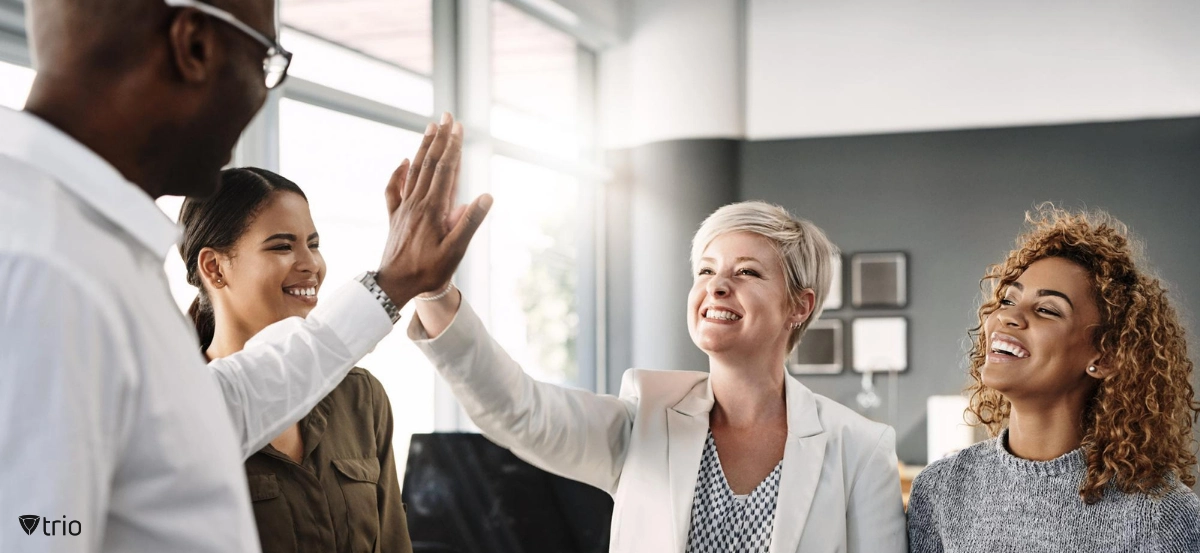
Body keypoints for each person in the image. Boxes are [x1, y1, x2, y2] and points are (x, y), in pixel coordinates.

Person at [0, 0, 490, 550]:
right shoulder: (41, 265)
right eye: (263, 58)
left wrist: (393, 285)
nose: (262, 91)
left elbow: (214, 411)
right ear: (195, 45)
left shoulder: (80, 241)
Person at [408, 201, 906, 552]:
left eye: (748, 273)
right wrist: (434, 293)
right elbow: (522, 412)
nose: (717, 287)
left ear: (800, 305)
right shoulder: (645, 416)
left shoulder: (859, 449)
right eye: (706, 271)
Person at [906, 204, 1200, 552]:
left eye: (1047, 309)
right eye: (1007, 299)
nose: (1008, 317)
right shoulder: (939, 490)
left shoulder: (1161, 515)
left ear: (1104, 357)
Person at [179, 167, 411, 553]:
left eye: (313, 244)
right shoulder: (177, 411)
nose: (312, 265)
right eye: (282, 246)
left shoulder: (360, 396)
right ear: (214, 268)